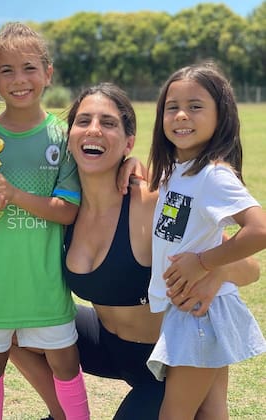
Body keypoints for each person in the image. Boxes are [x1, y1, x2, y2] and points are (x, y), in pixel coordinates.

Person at [8, 82, 261, 420]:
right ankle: (63, 415)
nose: (94, 130)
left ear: (129, 142)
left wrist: (213, 269)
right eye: (83, 121)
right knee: (5, 328)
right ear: (70, 137)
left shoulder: (153, 202)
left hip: (164, 361)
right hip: (105, 343)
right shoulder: (63, 209)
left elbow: (251, 268)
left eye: (108, 123)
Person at [0, 22, 90, 420]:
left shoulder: (63, 137)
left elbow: (67, 210)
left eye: (28, 67)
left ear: (47, 73)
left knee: (65, 363)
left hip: (44, 282)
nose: (19, 80)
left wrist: (13, 194)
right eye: (6, 71)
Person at [146, 62, 266, 419]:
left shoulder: (213, 175)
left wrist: (203, 263)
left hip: (200, 312)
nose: (182, 115)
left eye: (195, 106)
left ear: (221, 115)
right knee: (211, 411)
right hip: (188, 310)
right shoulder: (176, 172)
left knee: (175, 413)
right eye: (172, 107)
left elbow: (259, 229)